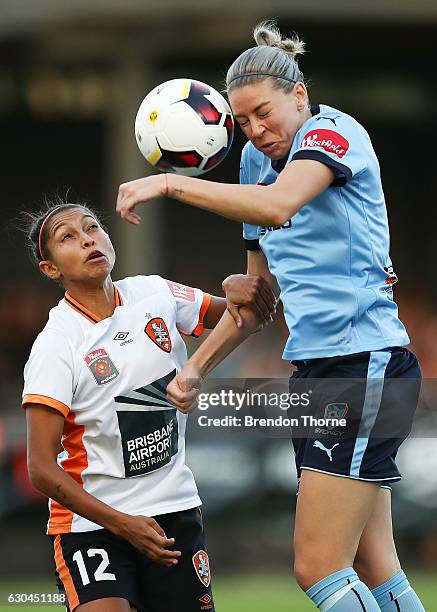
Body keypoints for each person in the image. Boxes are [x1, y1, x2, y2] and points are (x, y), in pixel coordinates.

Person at [115, 20, 425, 612]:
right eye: (243, 123)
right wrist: (196, 369)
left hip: (364, 364)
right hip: (318, 370)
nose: (256, 132)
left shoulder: (334, 134)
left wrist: (169, 184)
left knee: (317, 568)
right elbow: (255, 300)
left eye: (264, 113)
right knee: (374, 563)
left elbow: (282, 206)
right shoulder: (256, 168)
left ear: (299, 95)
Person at [21, 200, 275, 612]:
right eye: (68, 237)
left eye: (92, 228)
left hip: (173, 512)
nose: (87, 239)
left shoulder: (154, 292)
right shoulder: (57, 344)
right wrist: (122, 524)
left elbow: (245, 313)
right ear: (51, 268)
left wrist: (241, 287)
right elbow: (41, 468)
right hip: (94, 528)